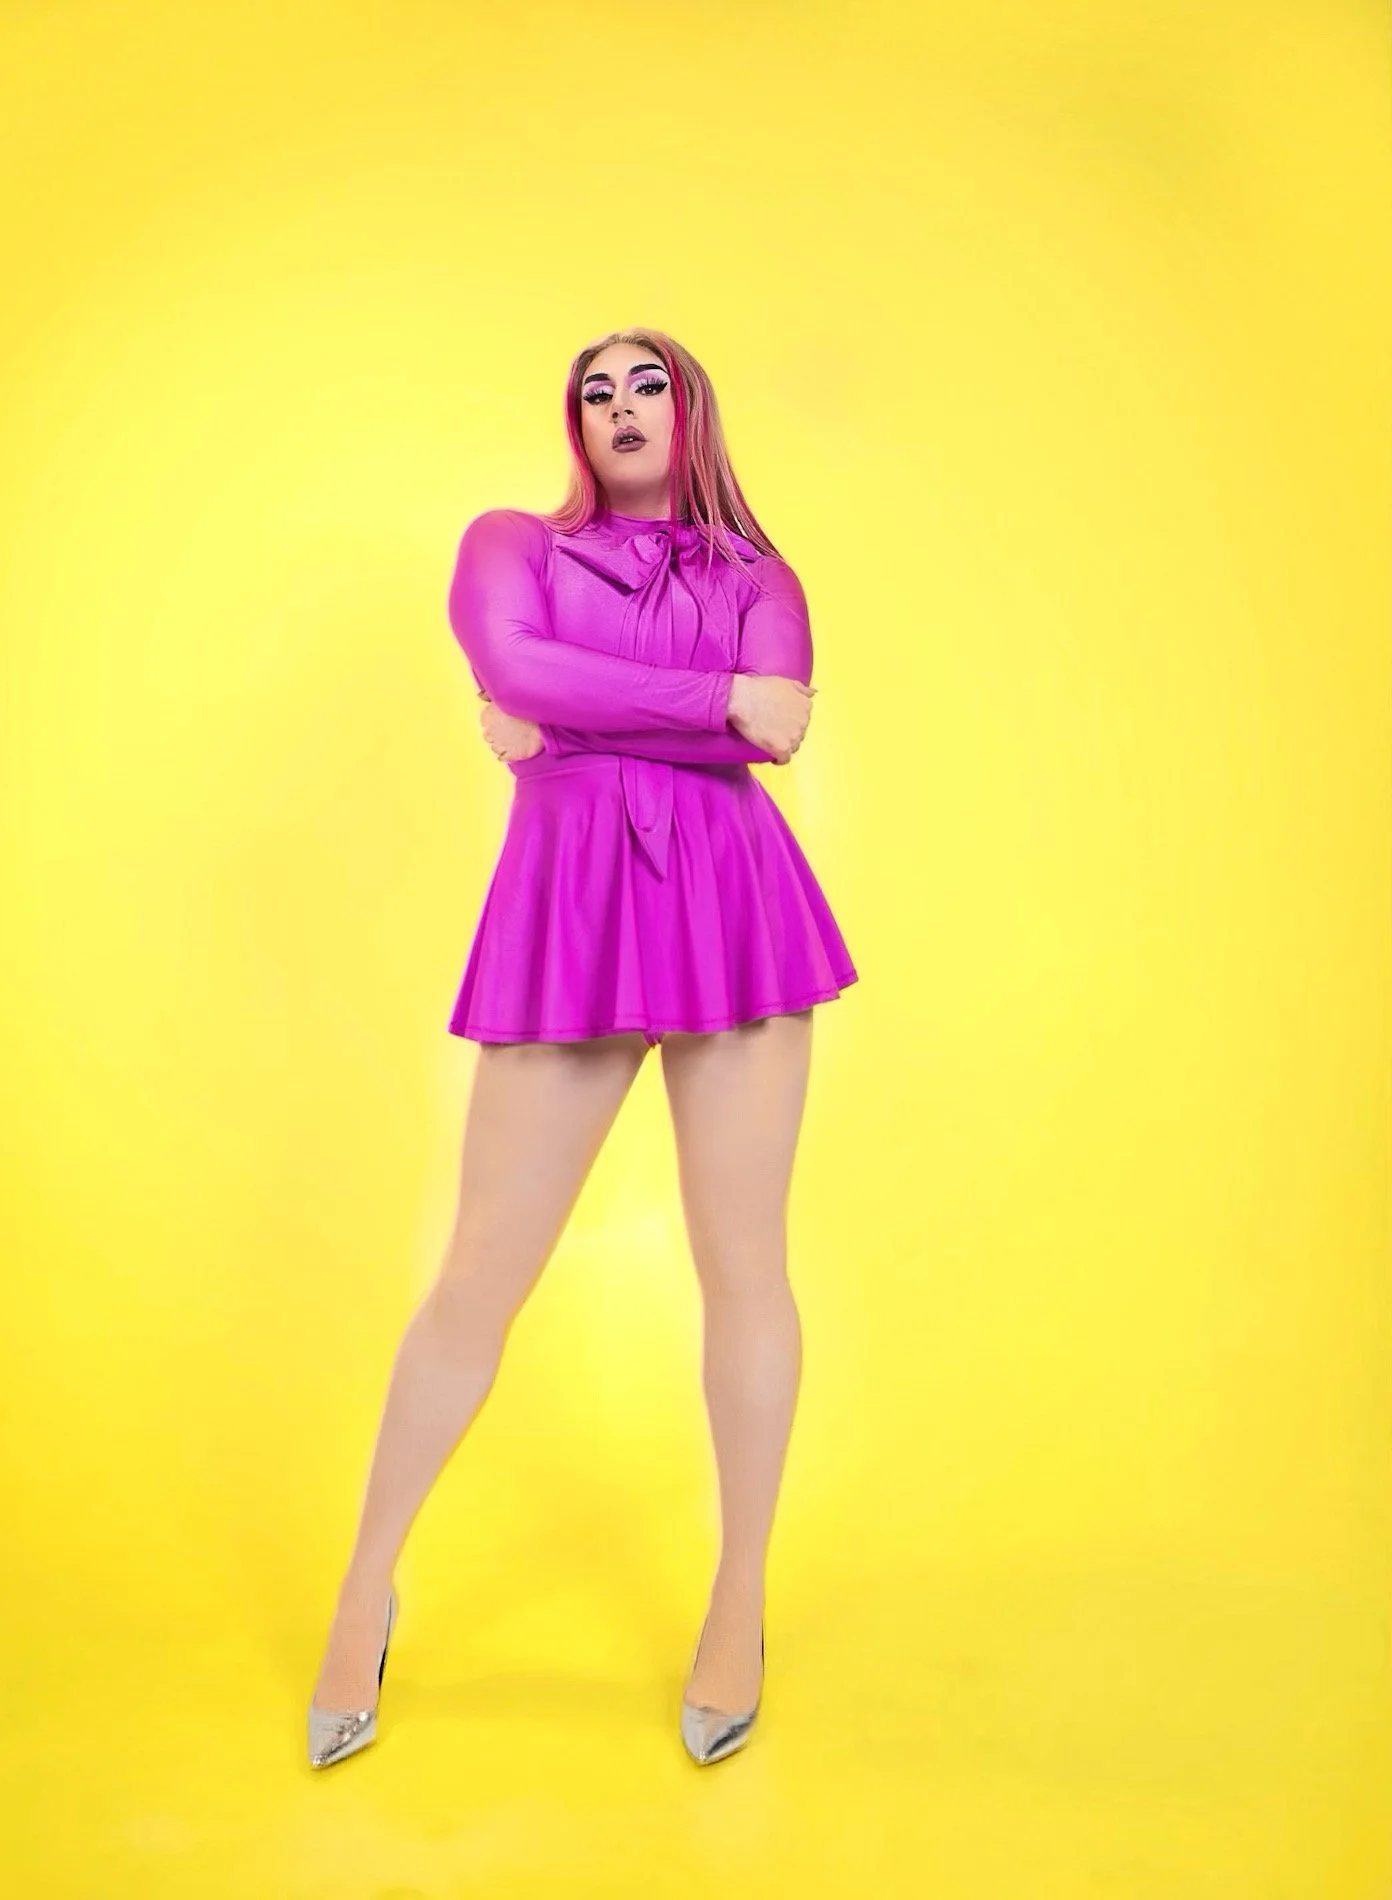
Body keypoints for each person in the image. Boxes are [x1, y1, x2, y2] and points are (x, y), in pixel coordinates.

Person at [308, 327, 858, 1771]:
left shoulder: (763, 578)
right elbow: (520, 665)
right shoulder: (513, 547)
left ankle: (737, 1602)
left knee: (746, 1268)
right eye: (595, 390)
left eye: (646, 383)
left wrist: (564, 713)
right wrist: (710, 703)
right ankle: (364, 1588)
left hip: (736, 909)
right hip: (572, 908)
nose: (619, 406)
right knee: (477, 1277)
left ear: (692, 410)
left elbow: (779, 729)